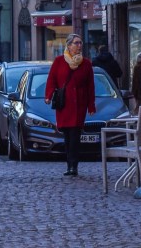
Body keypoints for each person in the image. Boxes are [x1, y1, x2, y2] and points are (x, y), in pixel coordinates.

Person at [45, 33, 96, 177]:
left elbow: (90, 86)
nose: (79, 46)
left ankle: (73, 166)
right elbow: (52, 80)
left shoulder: (86, 64)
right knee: (67, 136)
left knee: (75, 136)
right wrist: (48, 95)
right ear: (69, 45)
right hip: (64, 104)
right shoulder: (59, 61)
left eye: (80, 43)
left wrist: (91, 105)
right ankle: (69, 164)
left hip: (79, 104)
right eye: (76, 43)